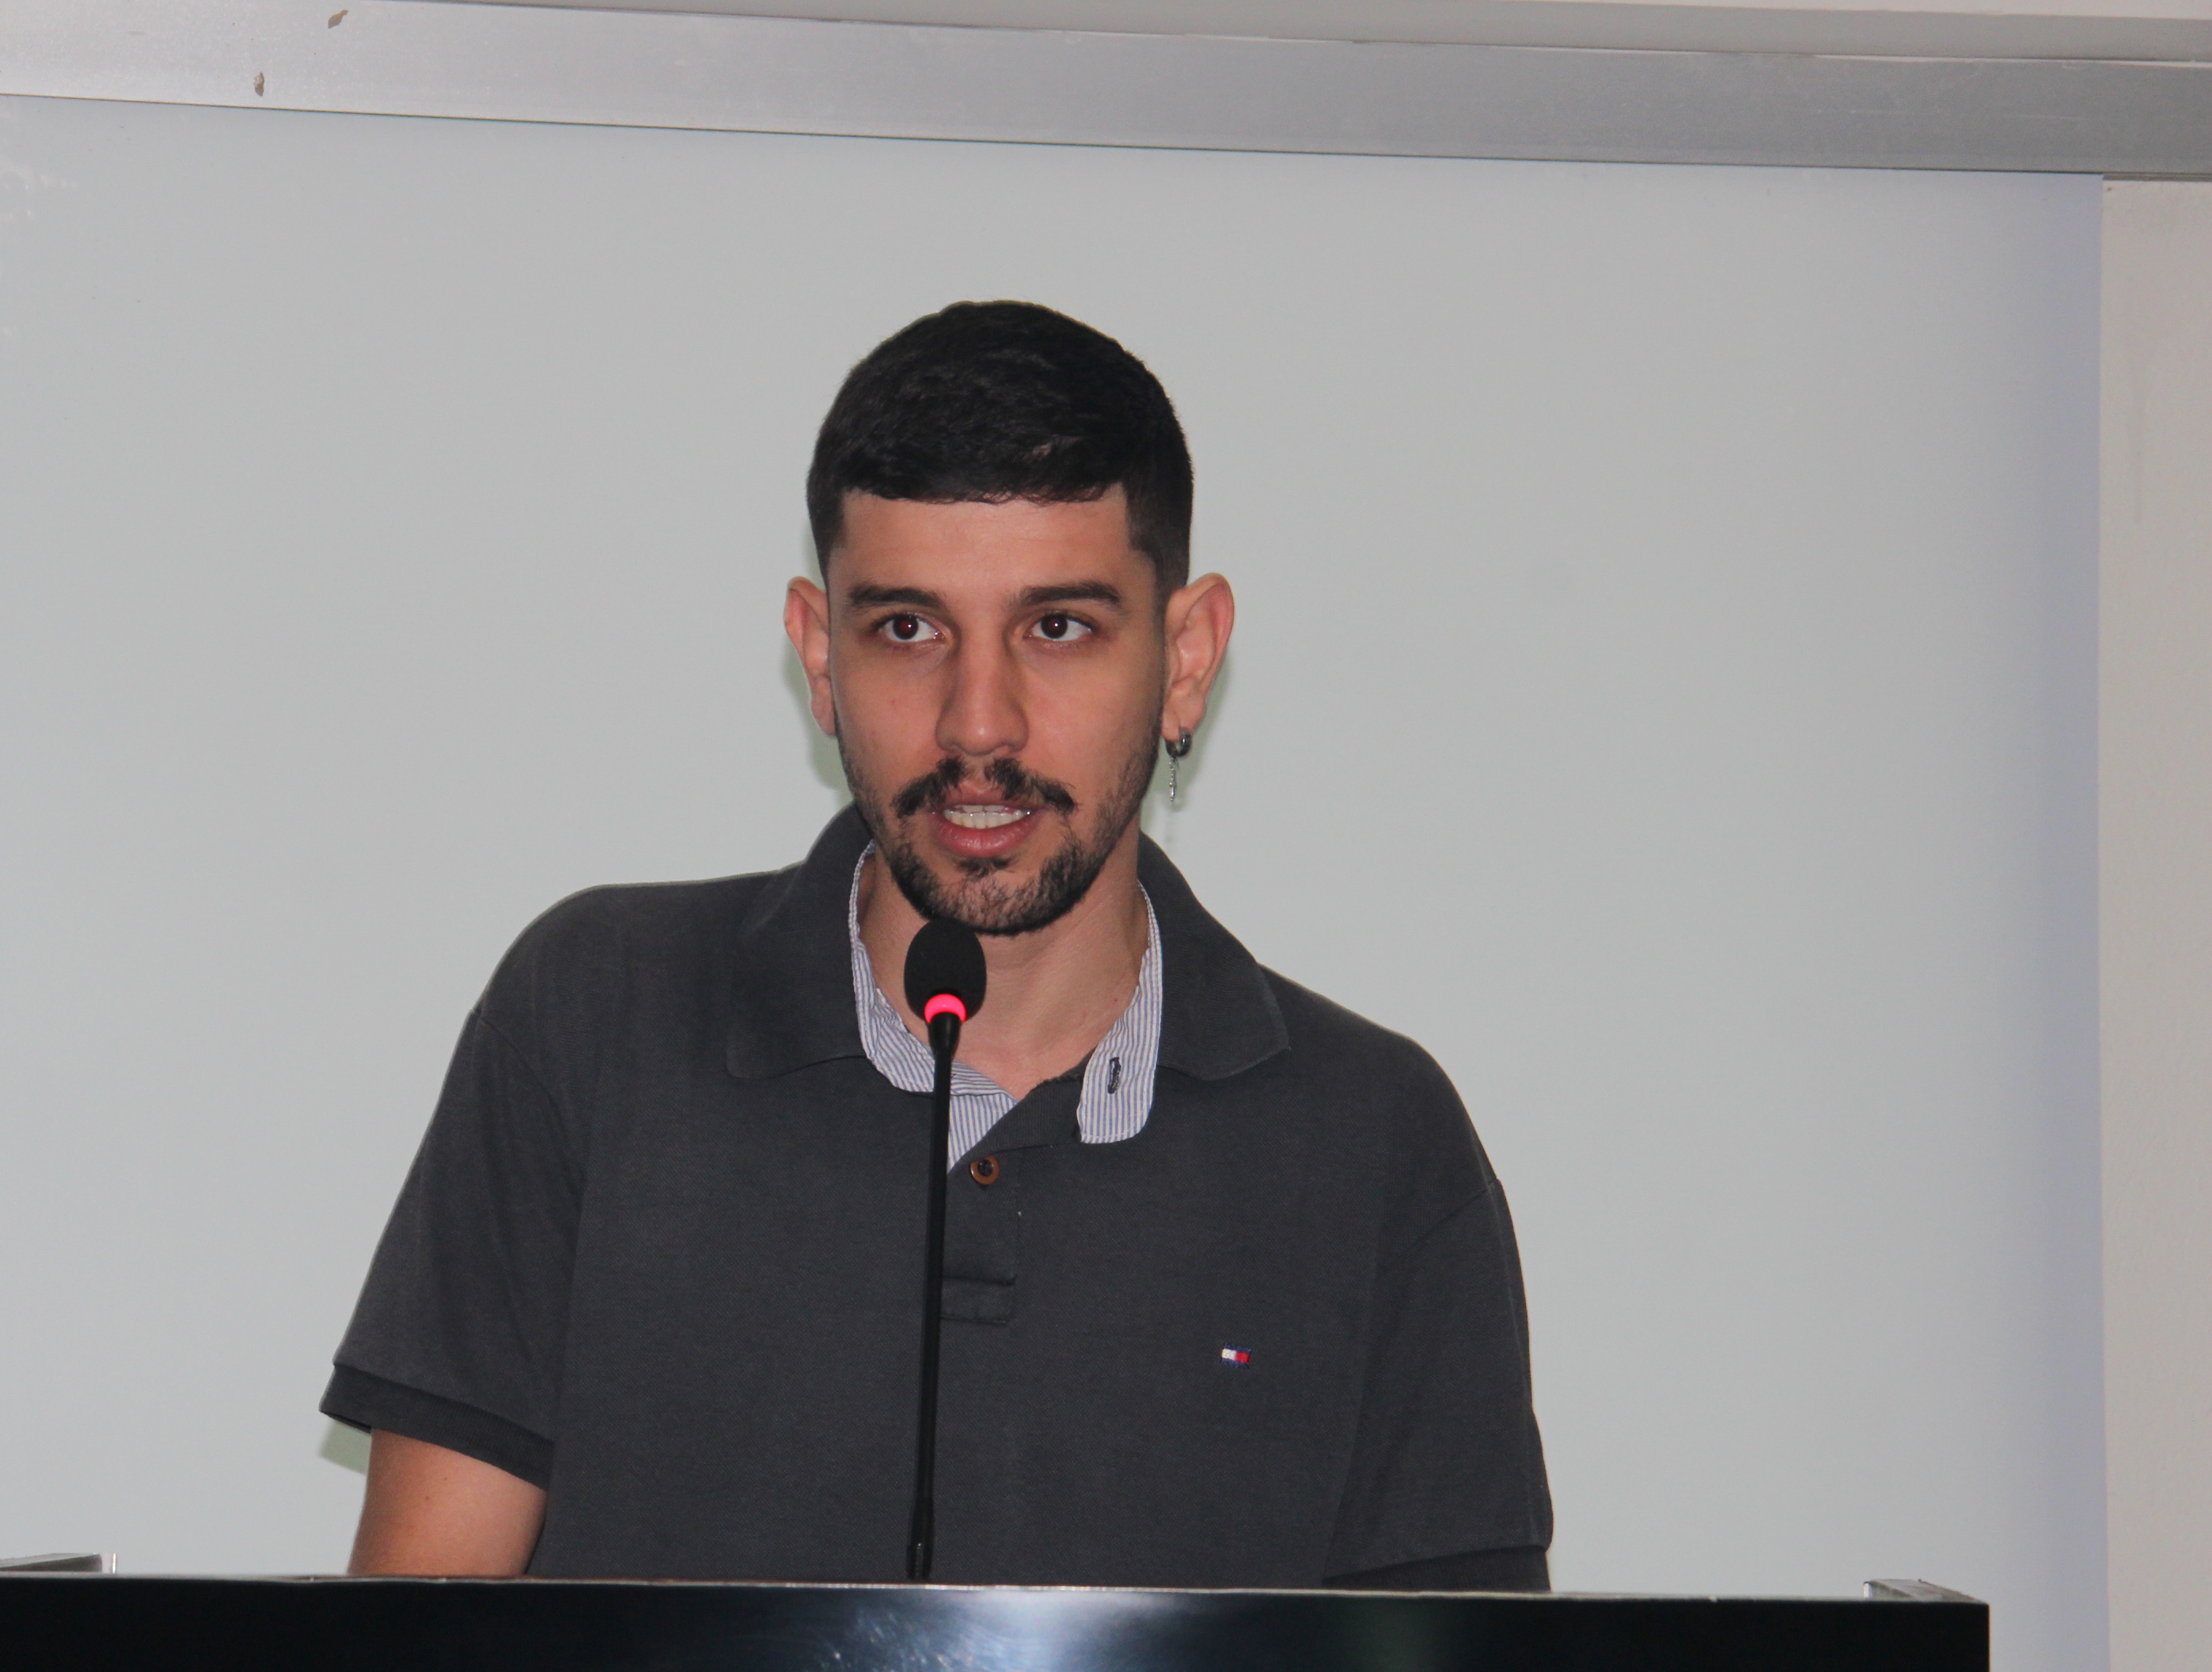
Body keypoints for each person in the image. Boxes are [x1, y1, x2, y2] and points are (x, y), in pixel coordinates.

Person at [324, 301, 1552, 1590]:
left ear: (1186, 659)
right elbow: (414, 1663)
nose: (978, 726)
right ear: (820, 656)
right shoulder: (596, 1016)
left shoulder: (1375, 1139)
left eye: (1057, 627)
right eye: (908, 628)